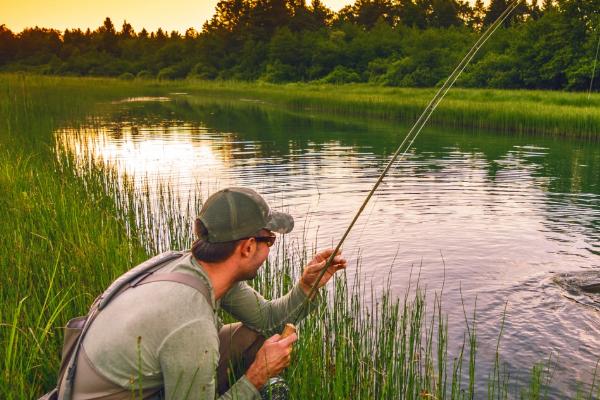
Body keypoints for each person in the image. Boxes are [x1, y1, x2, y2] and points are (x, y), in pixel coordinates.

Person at [62, 187, 346, 399]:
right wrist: (257, 376)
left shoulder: (188, 264)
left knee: (251, 338)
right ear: (247, 247)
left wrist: (307, 287)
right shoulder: (191, 323)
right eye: (269, 240)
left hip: (98, 380)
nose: (270, 249)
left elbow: (267, 320)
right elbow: (189, 331)